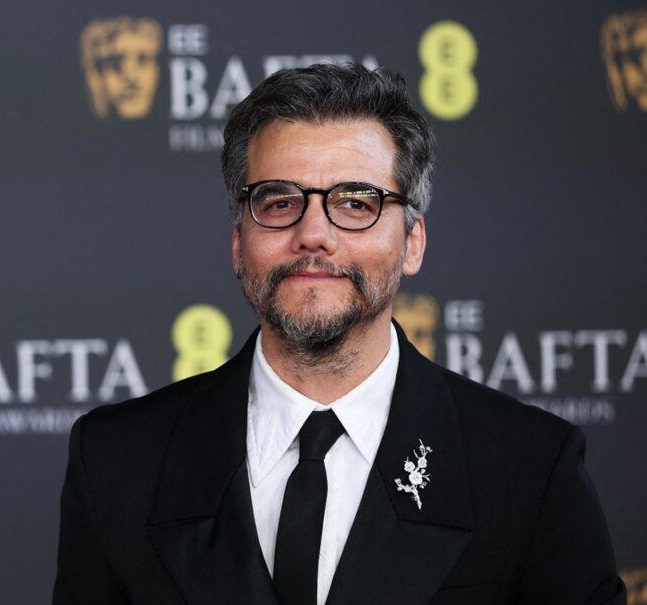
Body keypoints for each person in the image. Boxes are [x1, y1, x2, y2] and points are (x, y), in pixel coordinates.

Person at [53, 64, 625, 604]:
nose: (314, 233)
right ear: (237, 242)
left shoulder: (529, 468)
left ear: (414, 242)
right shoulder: (116, 462)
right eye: (279, 201)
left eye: (356, 203)